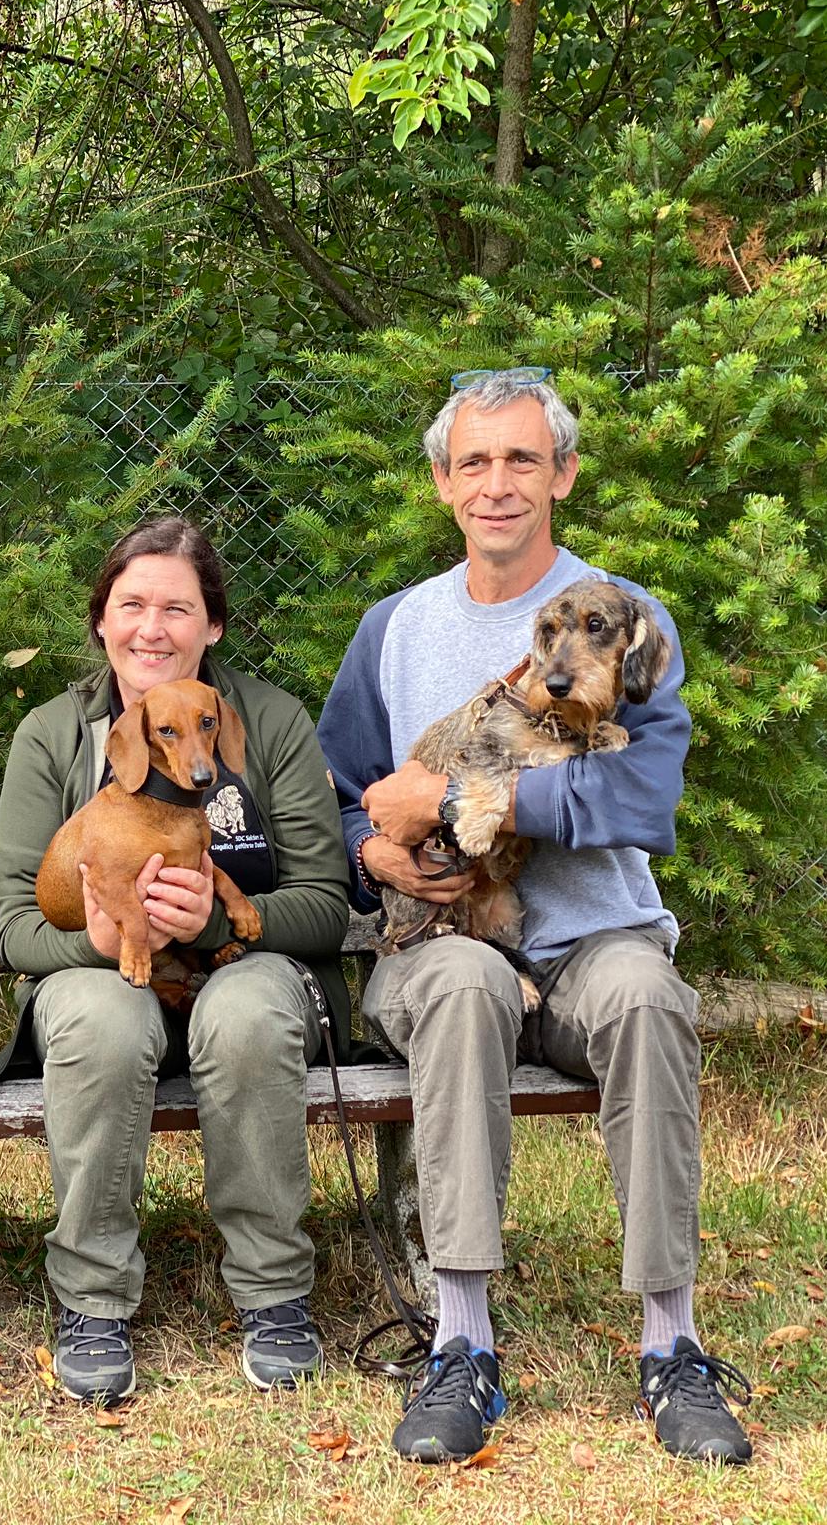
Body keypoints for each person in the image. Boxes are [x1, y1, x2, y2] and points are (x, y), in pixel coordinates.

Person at [316, 368, 754, 1465]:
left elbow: (642, 799)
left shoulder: (622, 618)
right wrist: (374, 847)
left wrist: (484, 800)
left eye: (521, 459)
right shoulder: (394, 629)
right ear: (441, 483)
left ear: (559, 472)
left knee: (649, 998)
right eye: (474, 462)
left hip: (591, 940)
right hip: (447, 946)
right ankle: (459, 1344)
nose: (497, 484)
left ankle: (671, 1344)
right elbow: (323, 797)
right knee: (464, 990)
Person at [0, 516, 354, 1406]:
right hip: (100, 973)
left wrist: (225, 919)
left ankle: (272, 1295)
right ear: (103, 622)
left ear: (212, 627)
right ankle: (92, 1300)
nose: (153, 628)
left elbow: (326, 901)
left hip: (244, 967)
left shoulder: (264, 721)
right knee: (103, 1021)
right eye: (132, 605)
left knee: (247, 1013)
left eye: (178, 609)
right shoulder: (51, 734)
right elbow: (12, 922)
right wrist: (101, 941)